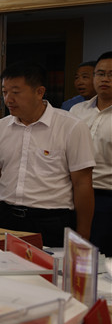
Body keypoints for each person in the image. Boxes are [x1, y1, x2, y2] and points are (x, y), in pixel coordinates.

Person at [0, 62, 95, 247]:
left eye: (16, 92)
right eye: (4, 92)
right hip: (5, 217)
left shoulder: (71, 127)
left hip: (50, 221)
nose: (8, 99)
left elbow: (82, 183)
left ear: (39, 92)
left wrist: (82, 235)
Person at [70, 51, 112, 255]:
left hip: (106, 196)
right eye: (101, 74)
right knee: (75, 255)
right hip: (73, 194)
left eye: (111, 75)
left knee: (103, 257)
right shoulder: (76, 111)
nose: (105, 79)